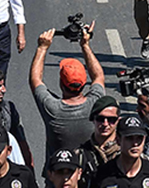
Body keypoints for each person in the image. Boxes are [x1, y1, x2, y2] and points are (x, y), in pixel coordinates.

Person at [28, 23, 105, 163]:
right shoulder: (95, 103)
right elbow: (98, 76)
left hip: (57, 178)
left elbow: (35, 79)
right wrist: (85, 45)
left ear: (61, 83)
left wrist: (42, 48)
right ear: (84, 83)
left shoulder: (53, 109)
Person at [90, 116, 149, 188]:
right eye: (129, 138)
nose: (135, 144)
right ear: (118, 140)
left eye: (139, 138)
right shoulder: (103, 174)